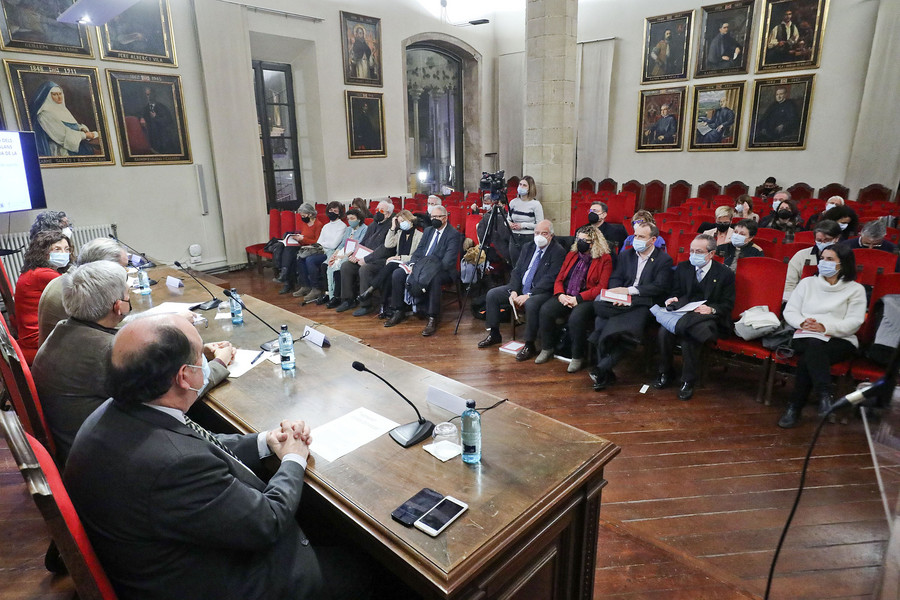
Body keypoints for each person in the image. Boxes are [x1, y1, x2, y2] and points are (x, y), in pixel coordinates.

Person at [63, 313, 372, 599]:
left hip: (161, 556)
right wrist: (293, 458)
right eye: (201, 354)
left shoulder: (121, 409)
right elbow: (268, 520)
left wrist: (266, 441)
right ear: (185, 376)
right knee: (365, 568)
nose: (207, 359)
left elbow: (198, 442)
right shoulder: (173, 464)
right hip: (219, 583)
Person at [33, 262, 234, 464]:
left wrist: (197, 352)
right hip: (110, 457)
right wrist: (219, 362)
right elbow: (175, 391)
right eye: (127, 295)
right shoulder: (110, 353)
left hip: (81, 442)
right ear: (118, 307)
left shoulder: (65, 329)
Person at [777, 245, 866, 428]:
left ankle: (794, 407)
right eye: (823, 258)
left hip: (839, 339)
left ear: (843, 264)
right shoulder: (807, 283)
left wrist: (825, 327)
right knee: (813, 344)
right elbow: (791, 311)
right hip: (805, 333)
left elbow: (854, 322)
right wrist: (803, 323)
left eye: (830, 259)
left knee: (809, 357)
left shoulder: (855, 289)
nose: (824, 263)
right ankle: (824, 394)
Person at [588, 221, 673, 390]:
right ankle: (605, 371)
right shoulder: (626, 255)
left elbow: (659, 286)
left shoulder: (664, 260)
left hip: (643, 303)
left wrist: (628, 291)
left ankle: (602, 370)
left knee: (615, 326)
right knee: (599, 313)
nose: (636, 239)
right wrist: (616, 293)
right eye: (635, 235)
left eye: (641, 236)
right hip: (620, 301)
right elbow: (615, 278)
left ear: (653, 240)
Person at [651, 234, 735, 400]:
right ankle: (665, 372)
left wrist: (711, 309)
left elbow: (727, 304)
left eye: (698, 251)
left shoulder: (725, 273)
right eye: (691, 250)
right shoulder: (683, 267)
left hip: (707, 318)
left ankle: (688, 380)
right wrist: (673, 298)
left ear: (711, 254)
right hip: (683, 313)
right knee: (664, 332)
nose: (693, 254)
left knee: (690, 336)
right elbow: (676, 291)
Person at [477, 220, 566, 360]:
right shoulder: (528, 247)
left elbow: (551, 279)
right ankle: (494, 334)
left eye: (544, 233)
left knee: (531, 304)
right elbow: (517, 271)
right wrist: (513, 290)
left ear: (551, 235)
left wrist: (529, 295)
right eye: (537, 233)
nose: (540, 236)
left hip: (541, 292)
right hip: (520, 288)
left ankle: (529, 344)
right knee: (492, 294)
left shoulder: (558, 251)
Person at [535, 226, 612, 368]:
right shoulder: (572, 255)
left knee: (576, 317)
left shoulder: (604, 259)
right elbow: (559, 279)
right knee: (546, 310)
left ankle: (577, 356)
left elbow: (601, 288)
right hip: (566, 293)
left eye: (584, 240)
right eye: (578, 239)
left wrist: (579, 299)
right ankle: (547, 348)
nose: (580, 242)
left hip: (587, 298)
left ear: (594, 242)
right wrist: (560, 294)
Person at [384, 205, 461, 337]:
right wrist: (413, 264)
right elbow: (419, 251)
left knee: (434, 279)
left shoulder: (453, 234)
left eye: (437, 217)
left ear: (445, 218)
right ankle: (398, 310)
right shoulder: (429, 230)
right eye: (432, 217)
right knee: (398, 273)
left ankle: (432, 317)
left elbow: (447, 261)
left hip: (442, 269)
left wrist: (425, 268)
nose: (434, 219)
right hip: (421, 265)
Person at [38, 237, 128, 345]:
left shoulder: (69, 280)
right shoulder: (83, 291)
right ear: (103, 267)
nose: (125, 273)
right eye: (122, 268)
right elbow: (110, 329)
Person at [14, 230, 71, 363]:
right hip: (37, 339)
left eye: (67, 249)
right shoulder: (44, 275)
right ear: (43, 253)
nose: (64, 254)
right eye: (57, 249)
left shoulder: (33, 271)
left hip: (28, 335)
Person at [355, 210, 423, 319]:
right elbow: (388, 244)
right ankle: (384, 306)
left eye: (403, 221)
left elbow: (417, 256)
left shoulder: (419, 235)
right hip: (397, 263)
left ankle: (371, 291)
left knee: (390, 266)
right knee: (388, 275)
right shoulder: (400, 233)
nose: (401, 224)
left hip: (409, 263)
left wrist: (399, 257)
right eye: (399, 222)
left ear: (410, 220)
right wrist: (392, 227)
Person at [334, 200, 394, 312]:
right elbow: (363, 242)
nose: (377, 213)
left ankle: (365, 305)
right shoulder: (373, 225)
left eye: (381, 211)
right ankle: (348, 300)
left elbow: (384, 249)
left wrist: (366, 259)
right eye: (376, 210)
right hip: (364, 257)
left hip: (380, 261)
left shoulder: (391, 227)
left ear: (388, 214)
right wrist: (355, 255)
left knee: (364, 269)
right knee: (346, 266)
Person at [292, 202, 348, 299]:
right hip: (321, 249)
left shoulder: (342, 226)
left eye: (335, 211)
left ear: (339, 213)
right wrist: (324, 243)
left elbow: (333, 244)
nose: (332, 212)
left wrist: (324, 243)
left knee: (310, 260)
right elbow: (319, 242)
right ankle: (305, 285)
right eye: (330, 210)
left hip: (332, 252)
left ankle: (316, 288)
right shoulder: (326, 226)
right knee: (301, 257)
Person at [314, 208, 368, 305]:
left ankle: (338, 296)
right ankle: (330, 294)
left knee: (339, 267)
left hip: (353, 254)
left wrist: (343, 256)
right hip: (342, 253)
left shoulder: (364, 229)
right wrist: (335, 254)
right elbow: (342, 243)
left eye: (352, 218)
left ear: (359, 219)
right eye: (348, 219)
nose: (350, 221)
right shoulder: (348, 229)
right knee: (327, 265)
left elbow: (360, 245)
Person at [29, 82, 99, 157]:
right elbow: (62, 136)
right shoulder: (44, 114)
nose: (59, 97)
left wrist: (81, 128)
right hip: (60, 150)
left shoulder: (62, 110)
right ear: (48, 96)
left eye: (60, 94)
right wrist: (85, 135)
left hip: (75, 144)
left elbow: (72, 125)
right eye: (55, 94)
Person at [783, 219, 840, 302]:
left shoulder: (845, 257)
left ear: (836, 238)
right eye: (819, 240)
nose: (823, 243)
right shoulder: (801, 255)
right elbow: (789, 284)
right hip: (802, 300)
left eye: (827, 240)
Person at [273, 203, 323, 287]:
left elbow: (317, 242)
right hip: (302, 245)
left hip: (311, 248)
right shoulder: (305, 224)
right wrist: (296, 238)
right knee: (286, 248)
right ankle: (286, 277)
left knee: (290, 252)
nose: (302, 217)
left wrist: (302, 239)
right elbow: (303, 235)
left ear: (310, 214)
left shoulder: (318, 225)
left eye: (303, 215)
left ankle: (285, 277)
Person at [507, 175, 543, 265]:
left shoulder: (535, 204)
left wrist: (522, 225)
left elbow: (540, 225)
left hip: (528, 238)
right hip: (514, 237)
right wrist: (509, 224)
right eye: (520, 184)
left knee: (526, 265)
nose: (521, 187)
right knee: (515, 265)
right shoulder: (513, 202)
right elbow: (507, 219)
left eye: (524, 185)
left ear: (530, 188)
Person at [140, 85, 179, 154]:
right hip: (151, 140)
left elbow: (169, 122)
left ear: (154, 95)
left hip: (163, 140)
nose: (149, 97)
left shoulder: (163, 107)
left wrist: (156, 117)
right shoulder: (145, 109)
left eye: (150, 94)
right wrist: (141, 118)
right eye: (147, 95)